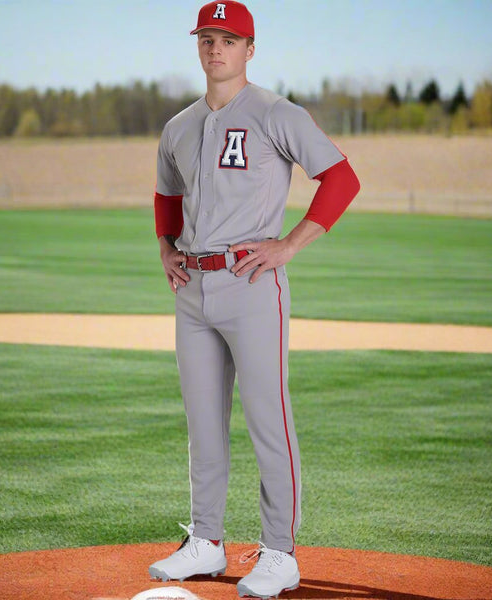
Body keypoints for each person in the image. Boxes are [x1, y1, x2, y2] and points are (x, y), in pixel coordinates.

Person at [148, 1, 360, 597]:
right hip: (192, 287)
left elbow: (341, 178)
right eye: (207, 37)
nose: (216, 48)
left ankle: (280, 552)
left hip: (251, 284)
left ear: (249, 49)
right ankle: (207, 543)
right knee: (203, 422)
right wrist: (165, 248)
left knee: (269, 418)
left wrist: (289, 245)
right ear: (198, 45)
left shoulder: (275, 112)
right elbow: (167, 195)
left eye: (229, 38)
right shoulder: (179, 126)